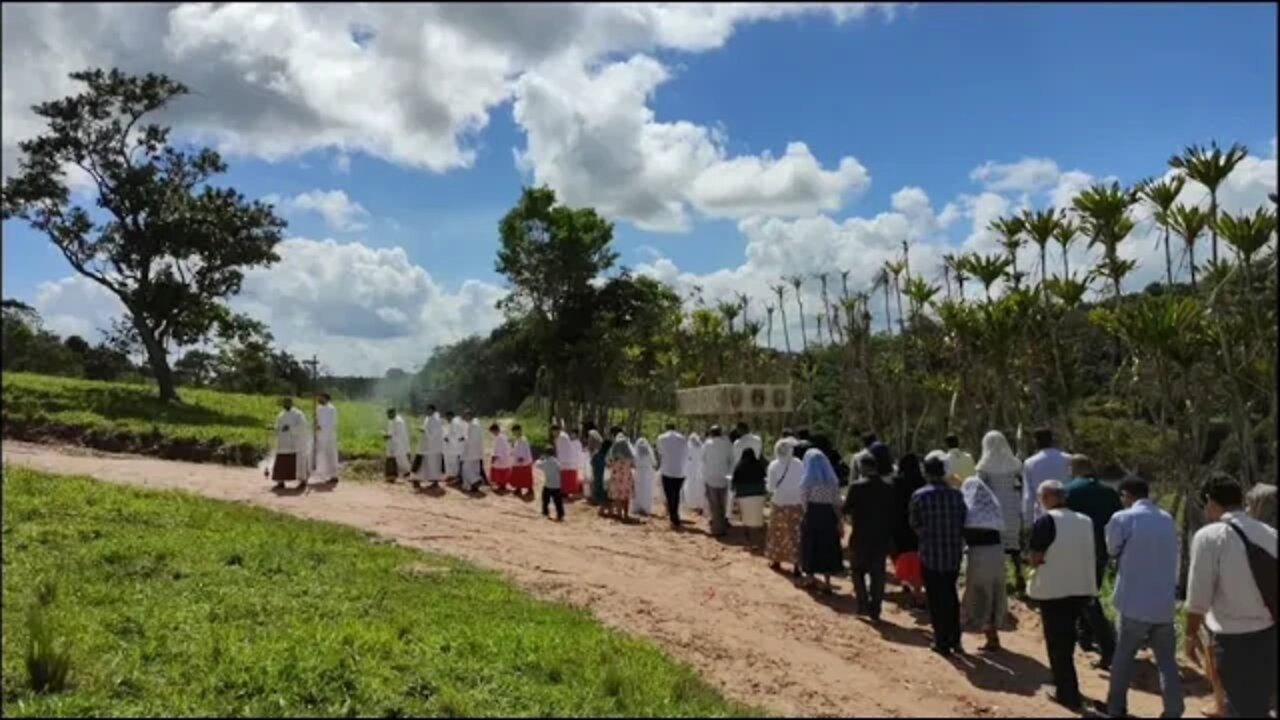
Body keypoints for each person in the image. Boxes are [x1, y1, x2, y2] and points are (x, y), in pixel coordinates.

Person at [1185, 474, 1278, 719]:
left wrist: (1189, 634)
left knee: (1239, 707)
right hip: (1269, 635)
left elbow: (1198, 596)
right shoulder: (1269, 533)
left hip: (1232, 641)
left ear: (1210, 502)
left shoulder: (1209, 536)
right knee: (1257, 705)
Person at [1104, 476, 1183, 720]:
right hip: (1163, 604)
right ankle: (1173, 711)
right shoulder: (1166, 518)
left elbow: (1111, 549)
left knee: (1123, 659)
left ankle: (1116, 709)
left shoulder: (1122, 518)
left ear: (1126, 495)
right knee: (1167, 663)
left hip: (1133, 603)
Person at [1026, 479, 1097, 711]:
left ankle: (1067, 693)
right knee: (1067, 640)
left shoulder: (1046, 521)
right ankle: (1070, 687)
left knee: (1057, 643)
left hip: (1054, 589)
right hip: (1080, 588)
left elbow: (1036, 556)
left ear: (1048, 498)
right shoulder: (1085, 520)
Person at [1064, 454, 1121, 669]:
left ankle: (1105, 643)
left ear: (1074, 468)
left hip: (1075, 550)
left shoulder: (1068, 490)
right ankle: (1086, 636)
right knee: (1091, 591)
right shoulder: (1109, 492)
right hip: (1101, 550)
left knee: (1083, 597)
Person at [910, 451, 968, 656]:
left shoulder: (919, 496)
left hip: (930, 554)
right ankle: (955, 639)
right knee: (951, 595)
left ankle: (941, 641)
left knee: (935, 599)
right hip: (953, 553)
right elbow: (964, 520)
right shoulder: (957, 495)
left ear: (926, 473)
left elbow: (914, 524)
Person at [960, 470, 1008, 652]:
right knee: (995, 595)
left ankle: (959, 637)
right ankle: (992, 636)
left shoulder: (970, 510)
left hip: (978, 556)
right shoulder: (993, 509)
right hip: (997, 555)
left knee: (978, 596)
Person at [844, 453, 895, 622]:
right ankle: (876, 609)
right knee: (877, 574)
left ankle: (862, 604)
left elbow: (846, 509)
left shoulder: (857, 487)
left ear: (863, 467)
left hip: (860, 536)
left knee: (857, 571)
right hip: (881, 537)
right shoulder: (888, 488)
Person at [975, 430, 1026, 595]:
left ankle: (1001, 581)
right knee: (1014, 544)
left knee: (997, 546)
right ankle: (1020, 576)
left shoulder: (983, 467)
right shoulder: (1015, 464)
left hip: (994, 510)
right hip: (1012, 507)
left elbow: (980, 490)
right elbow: (1021, 484)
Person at [799, 448, 845, 594]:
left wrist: (807, 513)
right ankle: (827, 582)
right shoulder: (832, 481)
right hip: (828, 516)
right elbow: (837, 502)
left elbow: (803, 501)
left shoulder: (806, 481)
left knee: (810, 546)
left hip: (813, 515)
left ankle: (810, 578)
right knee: (828, 547)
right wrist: (839, 521)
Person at [890, 453, 927, 607]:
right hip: (919, 525)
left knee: (900, 555)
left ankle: (906, 583)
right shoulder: (923, 482)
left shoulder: (895, 482)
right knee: (917, 557)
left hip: (899, 525)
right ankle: (917, 590)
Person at [765, 438, 805, 576]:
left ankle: (776, 560)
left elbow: (770, 488)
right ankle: (796, 565)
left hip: (779, 503)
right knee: (795, 534)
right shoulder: (799, 464)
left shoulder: (773, 465)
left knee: (778, 533)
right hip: (796, 503)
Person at [1023, 427, 1072, 530]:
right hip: (1067, 514)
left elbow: (1029, 496)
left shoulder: (1030, 463)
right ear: (1052, 440)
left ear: (1036, 441)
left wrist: (1027, 523)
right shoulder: (1068, 459)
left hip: (1041, 516)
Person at [268, 397, 310, 489]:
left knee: (298, 463)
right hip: (283, 443)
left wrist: (290, 428)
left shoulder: (298, 414)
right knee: (282, 462)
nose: (285, 404)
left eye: (287, 403)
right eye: (284, 403)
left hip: (294, 443)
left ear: (291, 403)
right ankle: (281, 482)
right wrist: (274, 427)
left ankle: (302, 481)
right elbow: (278, 426)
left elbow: (302, 427)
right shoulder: (281, 415)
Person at [702, 426, 734, 537]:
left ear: (711, 433)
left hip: (710, 477)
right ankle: (722, 525)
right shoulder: (728, 444)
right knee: (722, 503)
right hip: (724, 478)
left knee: (714, 504)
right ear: (720, 433)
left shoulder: (707, 444)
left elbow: (703, 459)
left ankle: (717, 528)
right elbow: (731, 460)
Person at [732, 447, 768, 547]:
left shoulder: (739, 466)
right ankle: (756, 539)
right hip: (758, 494)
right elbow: (764, 476)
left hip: (743, 495)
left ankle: (748, 538)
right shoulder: (758, 465)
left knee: (746, 517)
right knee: (756, 517)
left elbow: (734, 481)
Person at [657, 423, 688, 529]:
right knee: (676, 494)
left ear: (666, 428)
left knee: (669, 494)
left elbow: (660, 452)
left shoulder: (661, 438)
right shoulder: (683, 438)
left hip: (667, 470)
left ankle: (673, 516)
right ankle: (675, 514)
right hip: (680, 471)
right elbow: (686, 454)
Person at [412, 404, 445, 489]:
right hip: (426, 446)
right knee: (424, 463)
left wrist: (424, 430)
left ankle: (434, 481)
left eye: (429, 410)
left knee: (433, 464)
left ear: (433, 411)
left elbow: (434, 434)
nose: (427, 412)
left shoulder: (436, 420)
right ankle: (417, 479)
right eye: (427, 410)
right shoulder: (428, 419)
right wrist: (423, 429)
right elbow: (427, 430)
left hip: (433, 447)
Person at [606, 433, 636, 520]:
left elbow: (608, 465)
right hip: (627, 478)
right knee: (626, 497)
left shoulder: (613, 457)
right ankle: (626, 514)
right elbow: (634, 466)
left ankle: (619, 513)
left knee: (618, 496)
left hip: (616, 478)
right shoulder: (630, 457)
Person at [313, 393, 340, 484]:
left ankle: (334, 476)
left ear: (326, 399)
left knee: (330, 455)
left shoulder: (331, 409)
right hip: (320, 436)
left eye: (321, 398)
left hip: (329, 436)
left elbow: (333, 423)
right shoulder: (318, 408)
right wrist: (316, 424)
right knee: (321, 455)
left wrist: (321, 427)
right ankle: (323, 475)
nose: (319, 399)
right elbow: (317, 419)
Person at [460, 410, 486, 493]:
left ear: (469, 415)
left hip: (471, 452)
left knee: (466, 468)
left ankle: (476, 481)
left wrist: (465, 441)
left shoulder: (473, 425)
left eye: (465, 416)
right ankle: (474, 487)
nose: (464, 418)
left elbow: (472, 440)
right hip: (476, 452)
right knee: (475, 469)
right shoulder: (475, 424)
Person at [383, 408, 411, 482]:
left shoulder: (399, 422)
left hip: (399, 444)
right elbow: (391, 431)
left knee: (401, 460)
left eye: (389, 414)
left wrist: (388, 436)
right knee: (390, 459)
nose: (388, 416)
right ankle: (391, 476)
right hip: (392, 443)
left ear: (393, 413)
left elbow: (399, 434)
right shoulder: (391, 420)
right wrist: (388, 436)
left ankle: (408, 474)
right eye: (387, 414)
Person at [536, 448, 564, 521]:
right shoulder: (556, 462)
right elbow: (560, 469)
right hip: (557, 485)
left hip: (548, 484)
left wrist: (540, 459)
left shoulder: (545, 462)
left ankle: (545, 512)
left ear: (547, 454)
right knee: (558, 502)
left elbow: (537, 465)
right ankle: (560, 514)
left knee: (545, 499)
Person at [553, 424, 580, 497]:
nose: (553, 433)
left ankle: (565, 492)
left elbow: (563, 450)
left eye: (554, 431)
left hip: (565, 459)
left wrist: (559, 459)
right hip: (564, 459)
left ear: (557, 430)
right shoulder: (560, 436)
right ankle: (564, 491)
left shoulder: (562, 437)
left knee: (566, 476)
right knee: (563, 476)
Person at [682, 433, 706, 515]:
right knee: (699, 486)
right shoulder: (701, 446)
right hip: (699, 467)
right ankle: (699, 504)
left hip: (691, 467)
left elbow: (686, 457)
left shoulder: (689, 446)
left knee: (691, 485)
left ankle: (692, 504)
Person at [632, 438, 656, 516]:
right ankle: (646, 508)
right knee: (646, 490)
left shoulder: (635, 452)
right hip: (647, 473)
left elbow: (633, 462)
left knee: (638, 490)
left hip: (638, 472)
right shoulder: (649, 453)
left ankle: (637, 507)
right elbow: (654, 462)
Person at [509, 424, 534, 497]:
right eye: (513, 432)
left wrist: (521, 459)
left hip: (523, 461)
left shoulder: (523, 439)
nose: (514, 433)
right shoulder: (517, 439)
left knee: (525, 476)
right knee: (518, 475)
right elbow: (516, 449)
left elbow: (524, 450)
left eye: (515, 431)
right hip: (518, 461)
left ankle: (530, 489)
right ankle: (518, 488)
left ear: (519, 430)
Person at [588, 430, 609, 509]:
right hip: (602, 474)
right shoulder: (605, 455)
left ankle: (596, 499)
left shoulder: (598, 453)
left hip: (598, 473)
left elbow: (592, 462)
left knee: (597, 484)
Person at [490, 423, 513, 491]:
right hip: (504, 457)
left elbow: (499, 449)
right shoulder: (501, 436)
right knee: (502, 470)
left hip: (500, 457)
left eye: (493, 431)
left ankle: (502, 485)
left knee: (500, 471)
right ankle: (501, 484)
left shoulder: (499, 438)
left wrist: (494, 457)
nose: (492, 433)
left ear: (496, 430)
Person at [442, 410, 462, 483]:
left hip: (454, 447)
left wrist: (448, 438)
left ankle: (455, 477)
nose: (447, 418)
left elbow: (458, 435)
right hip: (448, 447)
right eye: (446, 417)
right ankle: (450, 475)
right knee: (448, 462)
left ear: (451, 416)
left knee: (454, 462)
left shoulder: (455, 423)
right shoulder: (449, 424)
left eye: (448, 417)